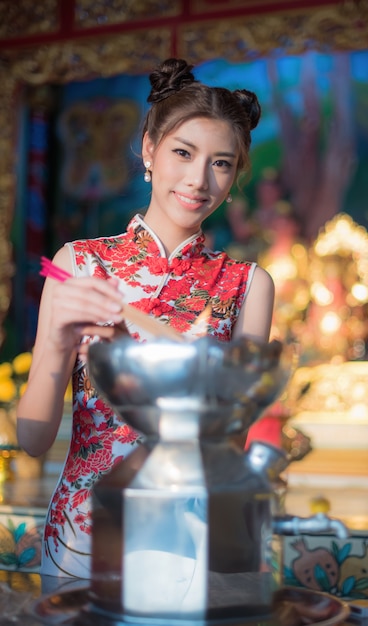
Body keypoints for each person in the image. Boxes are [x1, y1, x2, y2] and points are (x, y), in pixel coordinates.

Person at [16, 58, 275, 579]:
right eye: (183, 153)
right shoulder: (79, 264)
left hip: (188, 538)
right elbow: (33, 439)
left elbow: (228, 447)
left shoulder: (247, 285)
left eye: (221, 163)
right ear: (150, 150)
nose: (199, 179)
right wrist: (56, 345)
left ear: (235, 174)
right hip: (81, 537)